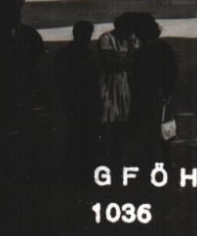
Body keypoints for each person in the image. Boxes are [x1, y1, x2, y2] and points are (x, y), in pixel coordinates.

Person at [54, 20, 101, 182]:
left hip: (70, 100)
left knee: (75, 133)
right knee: (86, 135)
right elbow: (94, 79)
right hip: (86, 100)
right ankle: (82, 171)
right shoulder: (87, 55)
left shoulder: (62, 53)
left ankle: (70, 169)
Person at [131, 13, 177, 167]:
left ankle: (150, 162)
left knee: (147, 130)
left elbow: (135, 77)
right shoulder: (163, 47)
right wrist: (168, 92)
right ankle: (168, 161)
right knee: (164, 129)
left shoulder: (140, 53)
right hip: (160, 93)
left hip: (145, 95)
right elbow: (172, 71)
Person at [96, 14, 140, 168]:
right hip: (108, 83)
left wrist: (123, 62)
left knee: (122, 119)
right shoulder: (106, 38)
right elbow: (108, 63)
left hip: (124, 83)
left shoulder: (132, 38)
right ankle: (105, 154)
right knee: (107, 118)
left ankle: (118, 155)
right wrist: (129, 60)